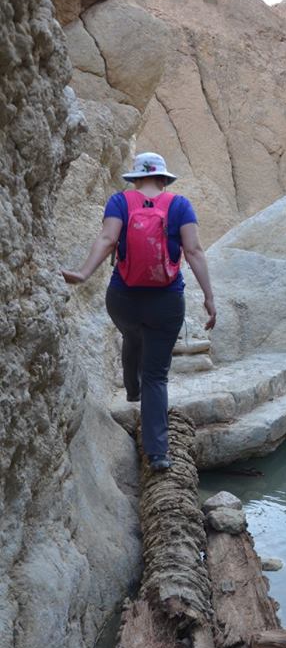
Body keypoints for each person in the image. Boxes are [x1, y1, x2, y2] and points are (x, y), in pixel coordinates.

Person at [62, 151, 216, 471]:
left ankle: (131, 388)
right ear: (163, 178)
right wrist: (209, 297)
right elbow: (194, 250)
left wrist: (83, 273)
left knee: (132, 334)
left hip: (123, 298)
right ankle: (158, 453)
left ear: (135, 178)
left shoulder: (119, 202)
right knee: (157, 376)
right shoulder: (180, 205)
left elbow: (107, 238)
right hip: (167, 301)